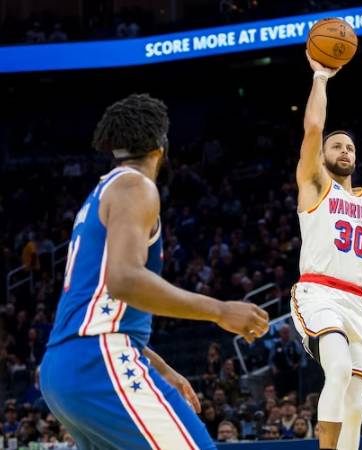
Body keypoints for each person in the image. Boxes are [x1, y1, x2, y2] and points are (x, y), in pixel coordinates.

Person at [40, 94, 269, 450]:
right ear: (161, 146)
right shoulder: (135, 186)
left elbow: (99, 309)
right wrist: (220, 310)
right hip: (97, 364)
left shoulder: (100, 194)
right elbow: (125, 280)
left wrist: (160, 367)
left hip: (64, 368)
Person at [291, 53, 362, 450]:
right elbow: (312, 128)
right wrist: (321, 78)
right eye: (336, 146)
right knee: (338, 369)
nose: (344, 151)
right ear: (323, 156)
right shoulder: (314, 185)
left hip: (356, 302)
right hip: (318, 290)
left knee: (358, 401)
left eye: (350, 148)